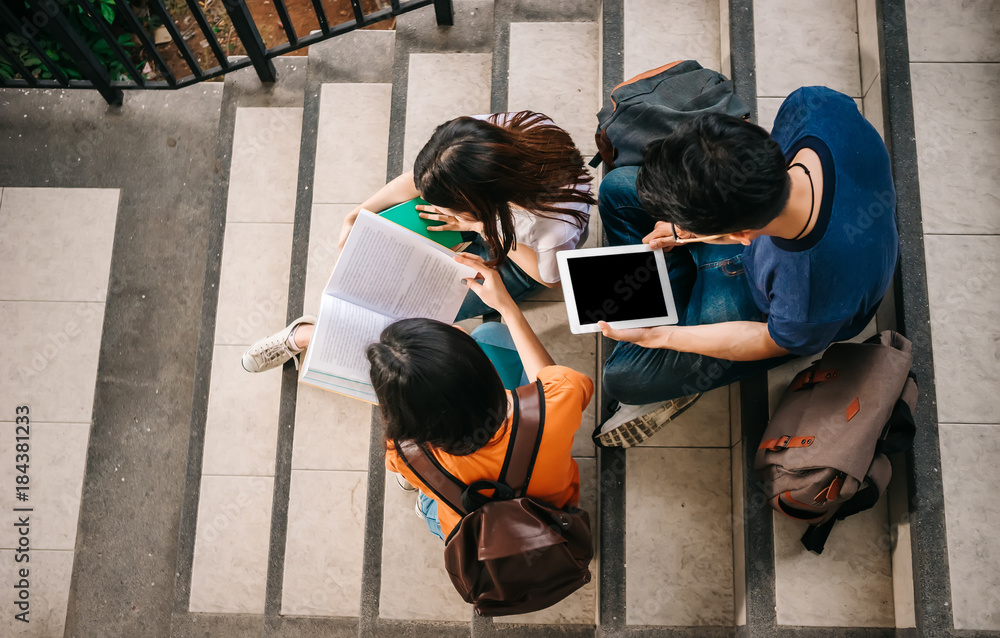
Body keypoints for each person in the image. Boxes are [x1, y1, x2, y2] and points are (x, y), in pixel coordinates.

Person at [593, 86, 898, 447]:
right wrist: (683, 229)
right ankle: (677, 290)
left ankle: (675, 320)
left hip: (770, 306)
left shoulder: (810, 293)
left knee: (625, 377)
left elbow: (772, 340)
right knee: (617, 188)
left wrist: (659, 337)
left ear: (739, 233)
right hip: (764, 237)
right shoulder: (815, 105)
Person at [241, 110, 594, 373]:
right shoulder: (480, 144)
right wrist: (359, 214)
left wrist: (482, 231)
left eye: (450, 204)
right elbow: (417, 181)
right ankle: (318, 331)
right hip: (489, 222)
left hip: (517, 259)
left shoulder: (552, 228)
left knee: (411, 319)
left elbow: (548, 276)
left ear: (481, 203)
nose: (434, 205)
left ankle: (307, 335)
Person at [372, 253, 594, 541]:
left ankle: (427, 506)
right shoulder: (556, 402)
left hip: (477, 534)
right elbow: (552, 378)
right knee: (492, 333)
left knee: (433, 498)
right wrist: (506, 306)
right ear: (481, 368)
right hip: (549, 512)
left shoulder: (402, 452)